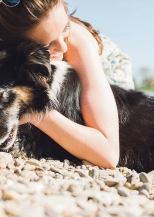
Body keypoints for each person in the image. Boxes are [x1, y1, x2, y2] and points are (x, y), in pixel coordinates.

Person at [0, 0, 134, 168]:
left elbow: (108, 154)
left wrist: (35, 113)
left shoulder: (76, 45)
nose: (63, 47)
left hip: (110, 73)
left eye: (65, 27)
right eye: (47, 44)